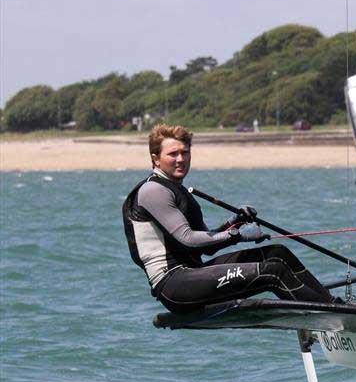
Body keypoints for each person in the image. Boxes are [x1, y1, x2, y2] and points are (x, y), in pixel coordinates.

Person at [123, 124, 334, 313]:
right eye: (173, 154)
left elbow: (207, 247)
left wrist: (235, 221)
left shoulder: (177, 190)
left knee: (277, 253)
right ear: (156, 159)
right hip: (174, 284)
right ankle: (327, 316)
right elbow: (188, 239)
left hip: (193, 273)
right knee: (273, 272)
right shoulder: (153, 190)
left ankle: (333, 304)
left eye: (185, 152)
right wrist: (238, 235)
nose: (181, 159)